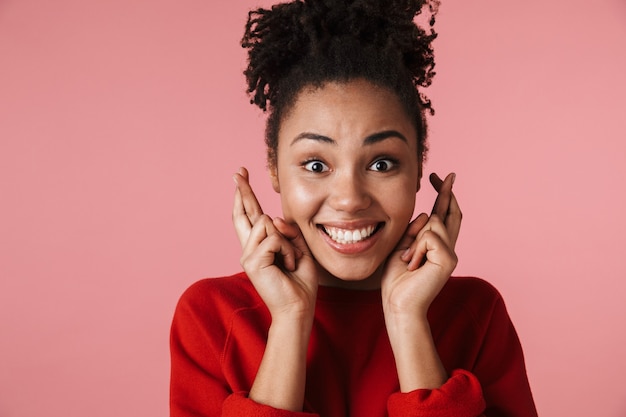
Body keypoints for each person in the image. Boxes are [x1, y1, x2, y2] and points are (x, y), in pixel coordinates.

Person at [170, 0, 538, 416]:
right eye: (315, 165)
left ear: (419, 169)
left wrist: (407, 318)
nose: (349, 199)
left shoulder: (476, 314)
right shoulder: (211, 315)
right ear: (274, 170)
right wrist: (290, 319)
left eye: (382, 163)